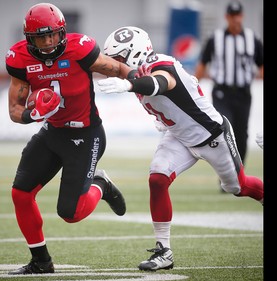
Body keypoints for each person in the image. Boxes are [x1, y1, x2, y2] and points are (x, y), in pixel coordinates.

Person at [98, 26, 263, 271]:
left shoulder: (159, 64)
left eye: (119, 59)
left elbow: (161, 84)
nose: (116, 65)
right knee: (157, 178)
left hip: (211, 135)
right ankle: (163, 251)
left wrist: (131, 86)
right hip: (179, 136)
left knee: (238, 187)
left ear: (134, 54)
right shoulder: (138, 72)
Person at [5, 3, 134, 275]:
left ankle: (101, 184)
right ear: (30, 39)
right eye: (42, 37)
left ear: (62, 32)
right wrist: (34, 114)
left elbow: (116, 68)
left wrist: (136, 82)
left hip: (86, 135)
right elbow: (15, 111)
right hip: (53, 132)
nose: (49, 42)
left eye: (53, 34)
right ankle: (41, 261)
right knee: (20, 193)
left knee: (70, 213)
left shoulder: (80, 49)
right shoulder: (20, 59)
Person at [194, 0, 264, 166]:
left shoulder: (252, 38)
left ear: (242, 16)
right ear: (227, 17)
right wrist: (194, 89)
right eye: (232, 16)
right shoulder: (215, 39)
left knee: (242, 133)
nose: (236, 20)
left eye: (238, 15)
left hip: (243, 93)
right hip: (221, 93)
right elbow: (202, 64)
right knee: (225, 131)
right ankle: (226, 174)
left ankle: (239, 173)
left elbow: (261, 64)